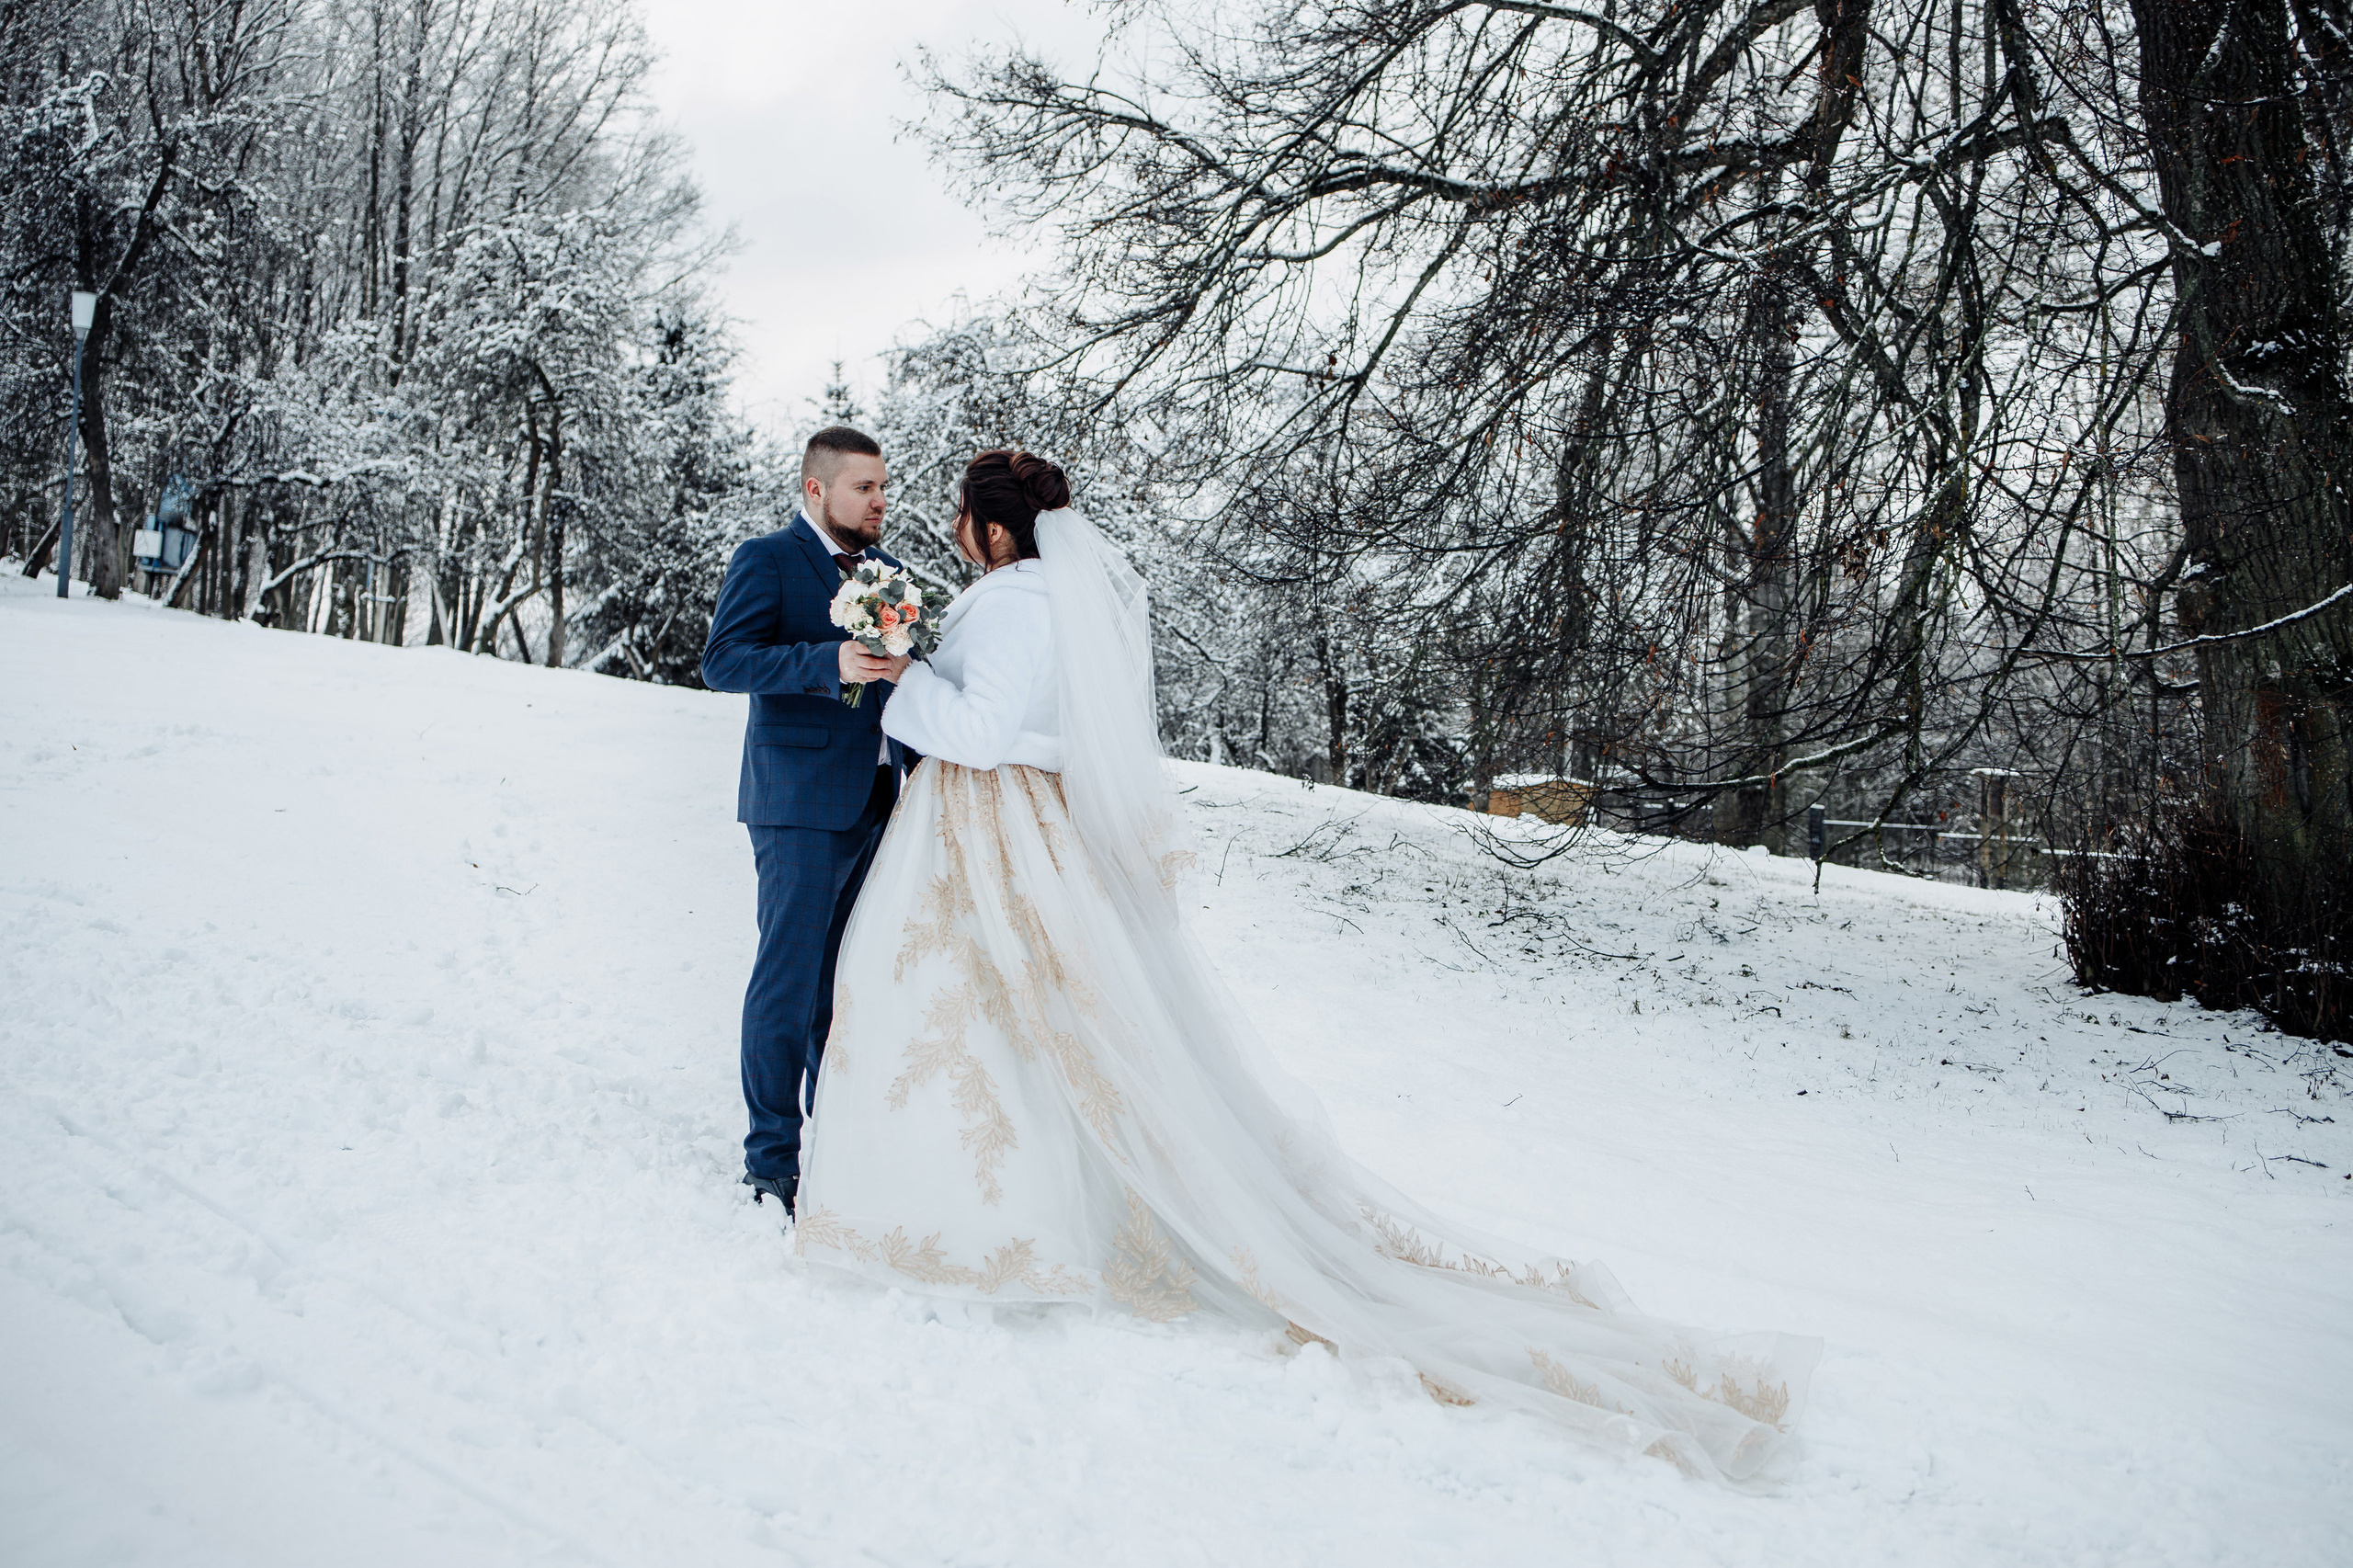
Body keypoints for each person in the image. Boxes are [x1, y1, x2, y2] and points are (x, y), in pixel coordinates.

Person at [796, 449, 1819, 1484]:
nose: (955, 529)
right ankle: (1050, 1194)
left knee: (978, 1012)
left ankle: (995, 1213)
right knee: (1042, 1016)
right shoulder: (1062, 604)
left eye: (964, 516)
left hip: (990, 822)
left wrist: (903, 679)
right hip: (1039, 827)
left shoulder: (1010, 607)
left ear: (994, 530)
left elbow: (977, 732)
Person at [701, 425, 912, 1218]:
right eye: (865, 487)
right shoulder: (767, 559)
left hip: (877, 801)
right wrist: (827, 662)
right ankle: (771, 1162)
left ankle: (842, 1148)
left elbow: (894, 683)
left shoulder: (886, 573)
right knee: (788, 984)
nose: (880, 500)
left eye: (883, 486)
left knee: (845, 986)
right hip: (796, 803)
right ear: (817, 489)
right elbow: (724, 661)